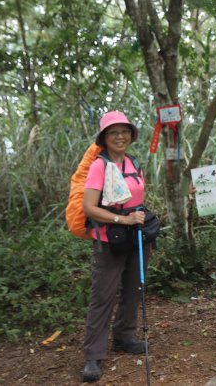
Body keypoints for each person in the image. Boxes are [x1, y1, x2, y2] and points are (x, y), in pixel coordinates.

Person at [81, 111, 150, 382]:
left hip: (136, 237)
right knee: (103, 296)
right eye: (113, 132)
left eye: (124, 131)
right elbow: (89, 207)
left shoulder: (134, 162)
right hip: (109, 239)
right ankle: (93, 356)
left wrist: (140, 219)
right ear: (104, 138)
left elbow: (138, 197)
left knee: (134, 289)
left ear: (131, 135)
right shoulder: (100, 165)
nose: (119, 136)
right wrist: (123, 218)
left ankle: (124, 337)